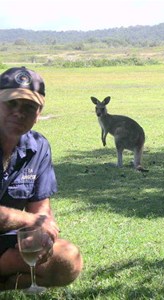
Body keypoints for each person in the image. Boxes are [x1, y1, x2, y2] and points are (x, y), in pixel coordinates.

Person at [0, 66, 83, 291]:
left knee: (67, 259)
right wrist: (31, 222)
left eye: (29, 106)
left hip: (6, 244)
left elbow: (42, 209)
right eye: (11, 103)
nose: (19, 112)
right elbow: (35, 219)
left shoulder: (38, 148)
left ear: (38, 114)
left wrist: (40, 236)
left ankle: (8, 282)